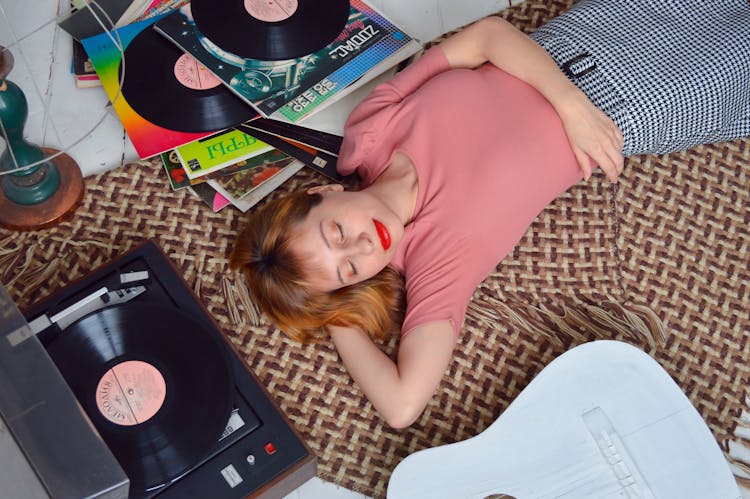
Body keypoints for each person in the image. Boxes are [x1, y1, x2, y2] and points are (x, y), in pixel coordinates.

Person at [230, 0, 749, 428]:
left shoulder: (368, 133)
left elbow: (485, 38)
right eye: (349, 270)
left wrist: (569, 104)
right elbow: (402, 406)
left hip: (575, 36)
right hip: (638, 105)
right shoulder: (438, 258)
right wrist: (333, 312)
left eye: (336, 231)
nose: (363, 247)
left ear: (323, 192)